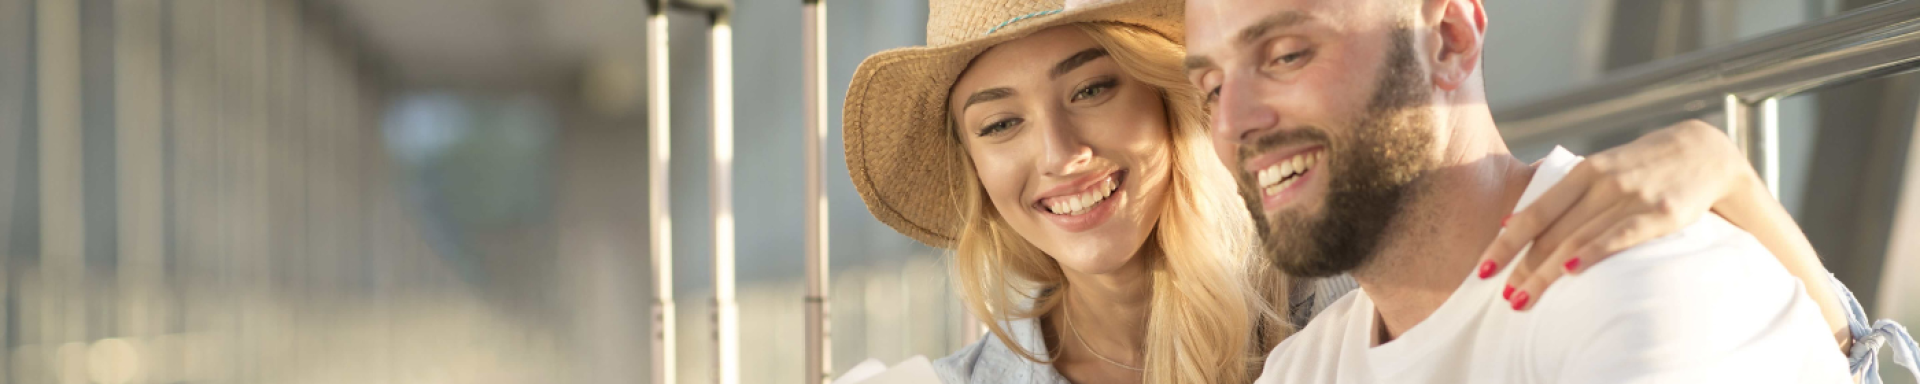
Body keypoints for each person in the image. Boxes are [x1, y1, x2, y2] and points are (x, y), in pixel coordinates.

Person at [840, 0, 1895, 383]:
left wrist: (1733, 183)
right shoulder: (1338, 325)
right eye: (1000, 124)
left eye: (1094, 88)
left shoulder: (1330, 289)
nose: (1061, 150)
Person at [1178, 0, 1915, 382]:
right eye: (1210, 88)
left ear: (1450, 41)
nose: (1234, 123)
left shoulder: (1644, 281)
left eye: (1286, 54)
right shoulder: (1302, 370)